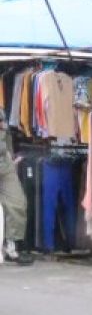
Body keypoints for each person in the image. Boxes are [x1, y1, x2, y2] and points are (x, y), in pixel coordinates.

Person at [0, 111, 32, 266]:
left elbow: (6, 143)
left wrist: (12, 160)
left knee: (18, 203)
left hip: (5, 166)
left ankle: (10, 245)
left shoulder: (2, 122)